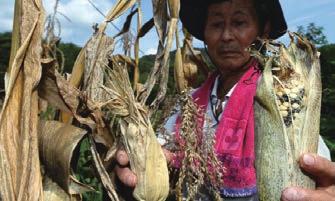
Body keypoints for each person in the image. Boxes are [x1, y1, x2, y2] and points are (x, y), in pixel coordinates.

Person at [115, 0, 335, 200]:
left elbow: (316, 177)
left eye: (239, 22)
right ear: (205, 32)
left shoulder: (283, 104)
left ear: (263, 30)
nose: (226, 35)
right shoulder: (188, 106)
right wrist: (135, 164)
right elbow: (154, 159)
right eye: (217, 25)